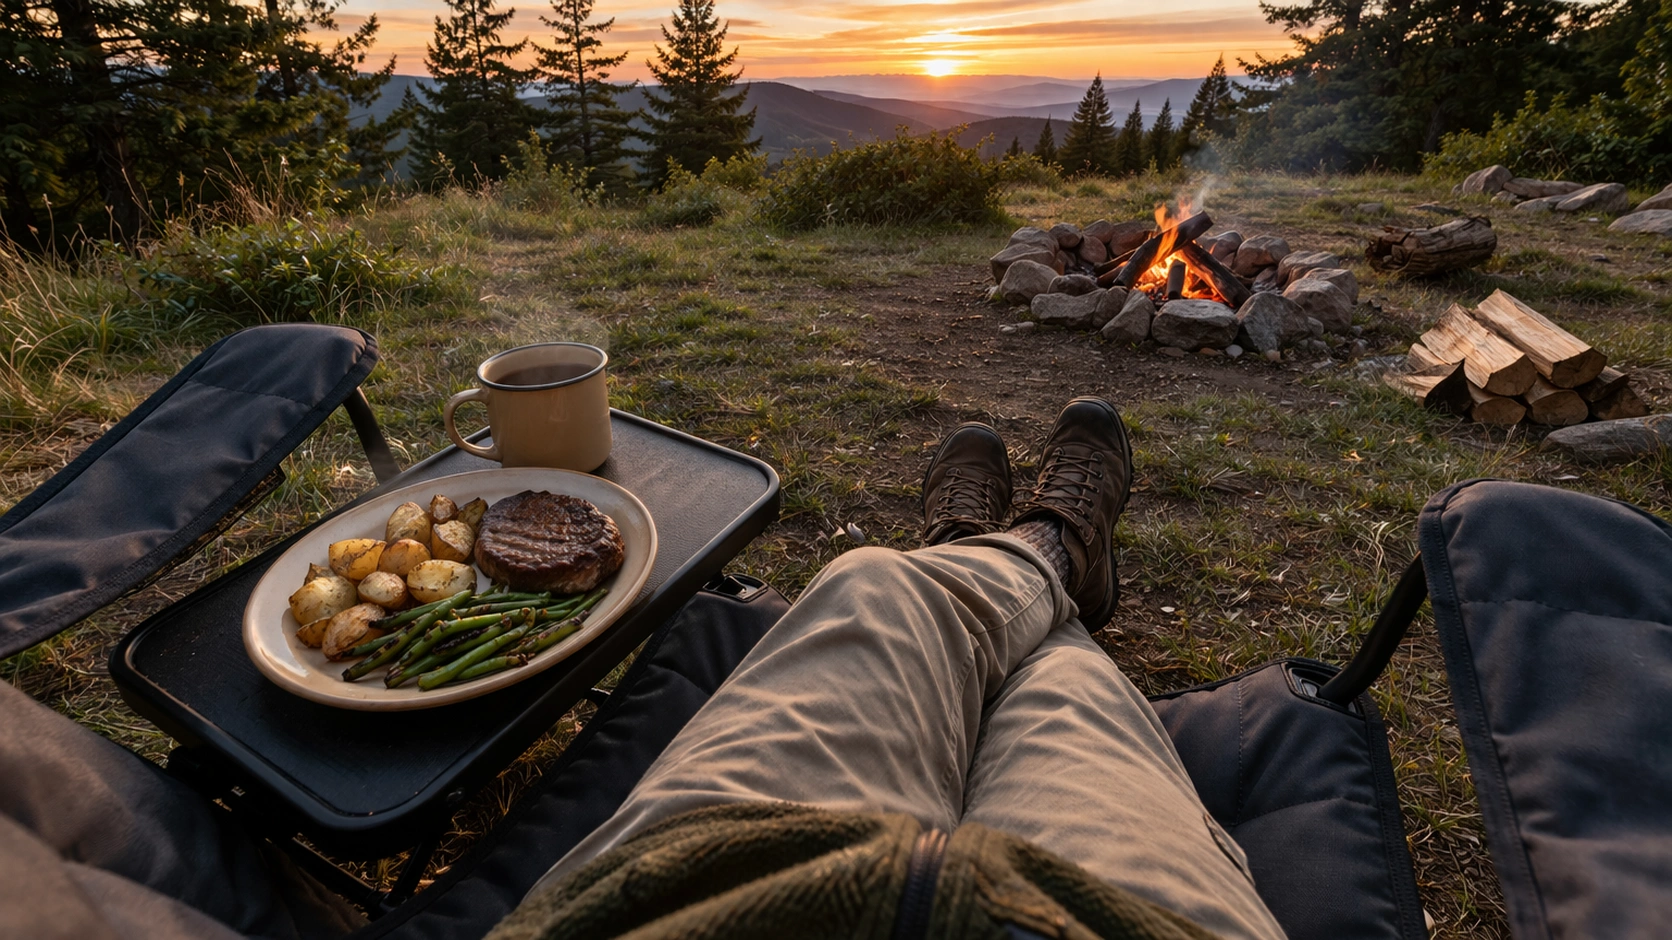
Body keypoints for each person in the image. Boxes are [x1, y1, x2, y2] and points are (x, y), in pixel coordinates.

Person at [0, 398, 1285, 939]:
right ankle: (1044, 557)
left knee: (876, 581)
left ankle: (1002, 555)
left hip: (690, 890)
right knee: (1049, 679)